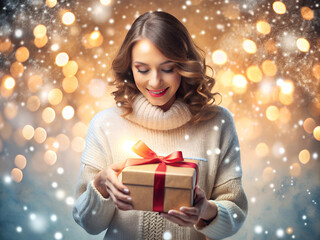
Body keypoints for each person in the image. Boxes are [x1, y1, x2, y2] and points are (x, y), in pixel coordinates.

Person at [72, 11, 248, 240]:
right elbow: (88, 224)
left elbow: (235, 215)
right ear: (129, 68)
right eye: (142, 69)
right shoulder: (105, 125)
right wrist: (102, 184)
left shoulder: (218, 123)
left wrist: (205, 211)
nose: (155, 81)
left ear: (184, 66)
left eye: (167, 68)